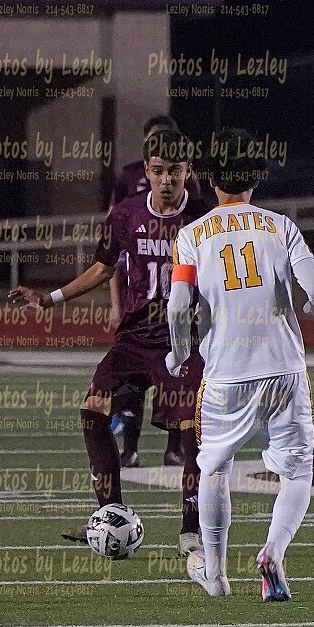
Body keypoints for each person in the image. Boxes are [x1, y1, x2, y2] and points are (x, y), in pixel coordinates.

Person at [9, 130, 205, 557]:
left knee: (192, 433)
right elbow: (102, 268)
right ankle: (110, 513)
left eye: (175, 171)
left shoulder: (204, 216)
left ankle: (191, 530)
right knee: (92, 412)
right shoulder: (126, 214)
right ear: (146, 171)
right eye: (158, 171)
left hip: (184, 343)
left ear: (188, 171)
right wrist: (49, 298)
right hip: (133, 340)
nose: (166, 180)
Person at [165, 128, 314, 599]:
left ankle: (216, 575)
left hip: (225, 374)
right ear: (256, 178)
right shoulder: (281, 226)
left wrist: (179, 353)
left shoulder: (191, 235)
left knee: (215, 469)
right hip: (284, 370)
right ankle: (273, 552)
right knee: (297, 473)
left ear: (209, 179)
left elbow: (178, 307)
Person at [109, 114, 200, 469]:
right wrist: (115, 303)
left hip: (178, 298)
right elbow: (114, 251)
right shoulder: (129, 178)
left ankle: (175, 447)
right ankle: (129, 447)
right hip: (140, 297)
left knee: (178, 377)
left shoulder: (188, 188)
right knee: (132, 381)